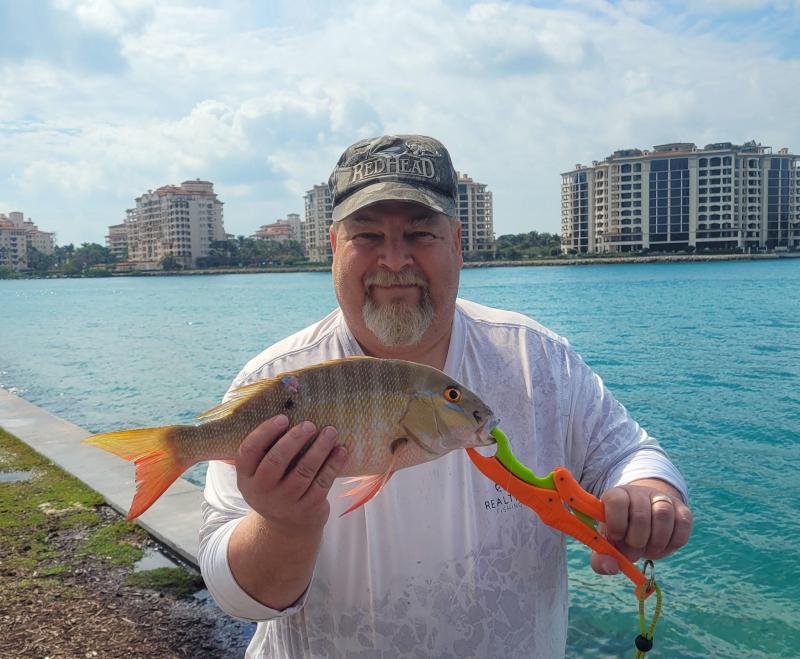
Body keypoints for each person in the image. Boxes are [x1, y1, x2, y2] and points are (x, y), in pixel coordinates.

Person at [199, 134, 693, 658]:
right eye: (366, 235)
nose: (394, 259)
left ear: (457, 242)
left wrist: (649, 493)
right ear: (334, 247)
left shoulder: (536, 358)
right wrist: (283, 526)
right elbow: (239, 598)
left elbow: (628, 452)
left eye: (419, 233)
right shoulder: (278, 380)